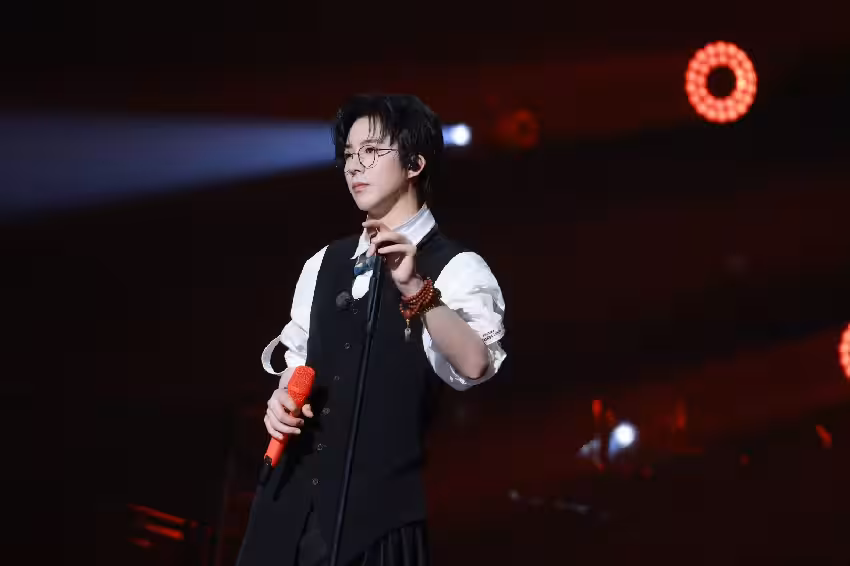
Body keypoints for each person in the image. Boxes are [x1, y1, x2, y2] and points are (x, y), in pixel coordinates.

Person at [236, 94, 507, 566]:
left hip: (376, 526)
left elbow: (475, 364)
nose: (353, 166)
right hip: (286, 512)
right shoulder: (325, 262)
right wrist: (281, 401)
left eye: (371, 151)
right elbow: (301, 363)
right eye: (348, 155)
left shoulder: (456, 267)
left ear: (415, 163)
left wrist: (416, 288)